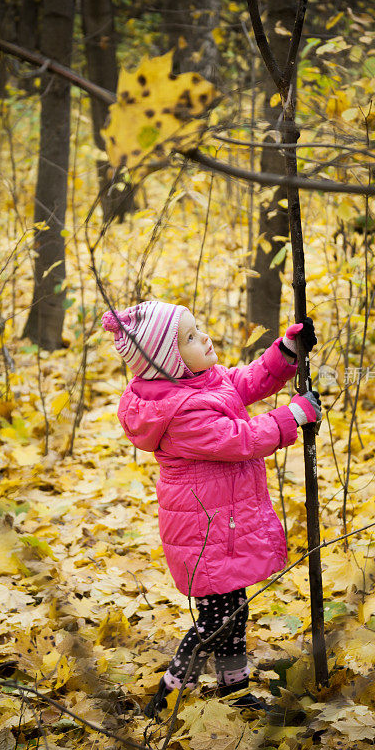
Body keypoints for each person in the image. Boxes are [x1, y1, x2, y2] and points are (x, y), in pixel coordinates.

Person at [101, 300, 321, 718]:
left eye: (198, 328)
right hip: (206, 531)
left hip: (222, 527)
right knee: (216, 621)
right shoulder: (182, 411)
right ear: (167, 362)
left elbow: (243, 381)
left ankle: (234, 690)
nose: (204, 336)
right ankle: (166, 697)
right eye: (189, 337)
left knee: (232, 614)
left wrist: (285, 354)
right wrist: (293, 415)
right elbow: (239, 438)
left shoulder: (199, 383)